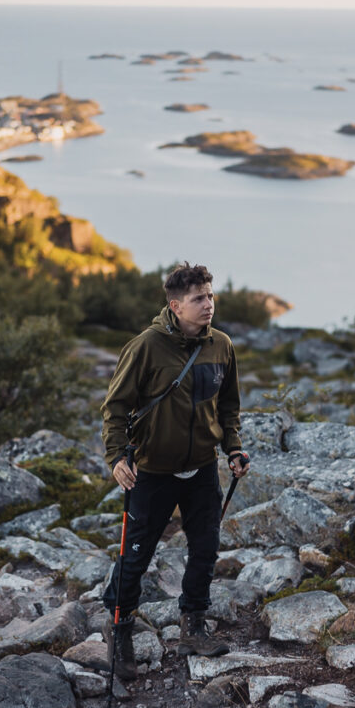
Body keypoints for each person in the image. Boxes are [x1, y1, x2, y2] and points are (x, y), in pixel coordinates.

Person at [100, 262, 250, 680]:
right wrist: (117, 458)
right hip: (151, 472)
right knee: (136, 557)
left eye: (210, 296)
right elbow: (114, 408)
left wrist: (233, 447)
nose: (208, 305)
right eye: (199, 299)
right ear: (175, 305)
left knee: (204, 549)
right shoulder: (146, 347)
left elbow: (229, 406)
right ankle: (120, 627)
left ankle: (193, 627)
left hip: (202, 468)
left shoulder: (221, 345)